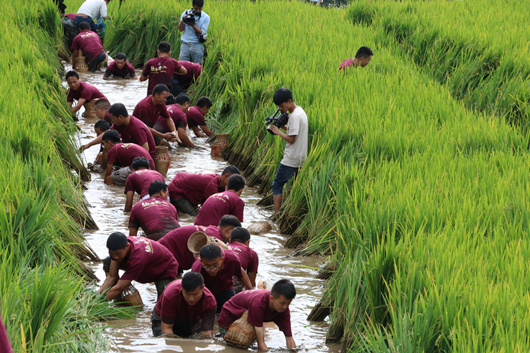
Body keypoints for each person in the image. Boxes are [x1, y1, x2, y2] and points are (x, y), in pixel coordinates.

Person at [218, 279, 297, 351]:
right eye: (282, 303)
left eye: (288, 303)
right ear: (272, 298)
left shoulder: (284, 309)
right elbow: (261, 344)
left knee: (254, 337)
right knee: (239, 342)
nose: (285, 307)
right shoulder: (258, 304)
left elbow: (289, 338)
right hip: (229, 317)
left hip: (247, 314)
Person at [99, 232, 179, 300]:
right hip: (147, 264)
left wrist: (98, 303)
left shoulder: (137, 257)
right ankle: (117, 298)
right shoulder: (119, 245)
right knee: (108, 261)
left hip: (165, 268)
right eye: (112, 253)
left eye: (118, 254)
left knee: (163, 303)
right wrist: (98, 295)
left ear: (127, 246)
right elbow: (112, 277)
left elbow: (119, 288)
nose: (115, 257)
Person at [268, 88, 308, 213]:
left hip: (292, 158)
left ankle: (277, 215)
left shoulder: (294, 117)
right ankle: (290, 210)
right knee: (296, 186)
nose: (280, 108)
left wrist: (278, 131)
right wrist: (283, 127)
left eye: (281, 105)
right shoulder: (300, 111)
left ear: (289, 101)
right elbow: (295, 132)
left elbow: (291, 139)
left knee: (277, 184)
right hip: (301, 157)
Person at [158, 215, 241, 271]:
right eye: (234, 233)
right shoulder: (215, 238)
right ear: (228, 229)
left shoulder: (213, 229)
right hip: (165, 252)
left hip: (165, 246)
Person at [81, 103, 157, 161]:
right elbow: (107, 135)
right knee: (106, 148)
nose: (112, 121)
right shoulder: (120, 123)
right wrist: (89, 144)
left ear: (120, 117)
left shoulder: (136, 128)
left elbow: (145, 150)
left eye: (113, 118)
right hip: (132, 152)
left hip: (145, 159)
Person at [191, 244, 253, 313]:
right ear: (201, 262)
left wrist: (251, 291)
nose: (212, 270)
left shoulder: (232, 259)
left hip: (225, 287)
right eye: (207, 266)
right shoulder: (197, 270)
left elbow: (240, 273)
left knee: (229, 312)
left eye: (215, 265)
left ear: (222, 260)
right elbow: (194, 292)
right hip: (206, 291)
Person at [151, 272, 216, 338]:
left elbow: (206, 333)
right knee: (163, 340)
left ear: (203, 288)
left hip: (191, 320)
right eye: (187, 294)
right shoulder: (170, 296)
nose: (191, 299)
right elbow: (167, 329)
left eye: (195, 294)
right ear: (181, 288)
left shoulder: (210, 301)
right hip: (162, 318)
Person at [168, 166, 240, 216]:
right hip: (177, 191)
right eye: (233, 181)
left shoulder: (219, 182)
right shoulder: (212, 184)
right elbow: (216, 206)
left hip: (184, 188)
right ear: (226, 177)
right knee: (195, 216)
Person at [178, 0, 210, 64]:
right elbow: (180, 30)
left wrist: (193, 25)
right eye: (196, 8)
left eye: (200, 8)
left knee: (197, 69)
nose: (198, 10)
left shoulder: (206, 17)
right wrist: (182, 22)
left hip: (197, 45)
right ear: (193, 6)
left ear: (202, 6)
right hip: (185, 45)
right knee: (182, 67)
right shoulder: (185, 13)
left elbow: (202, 32)